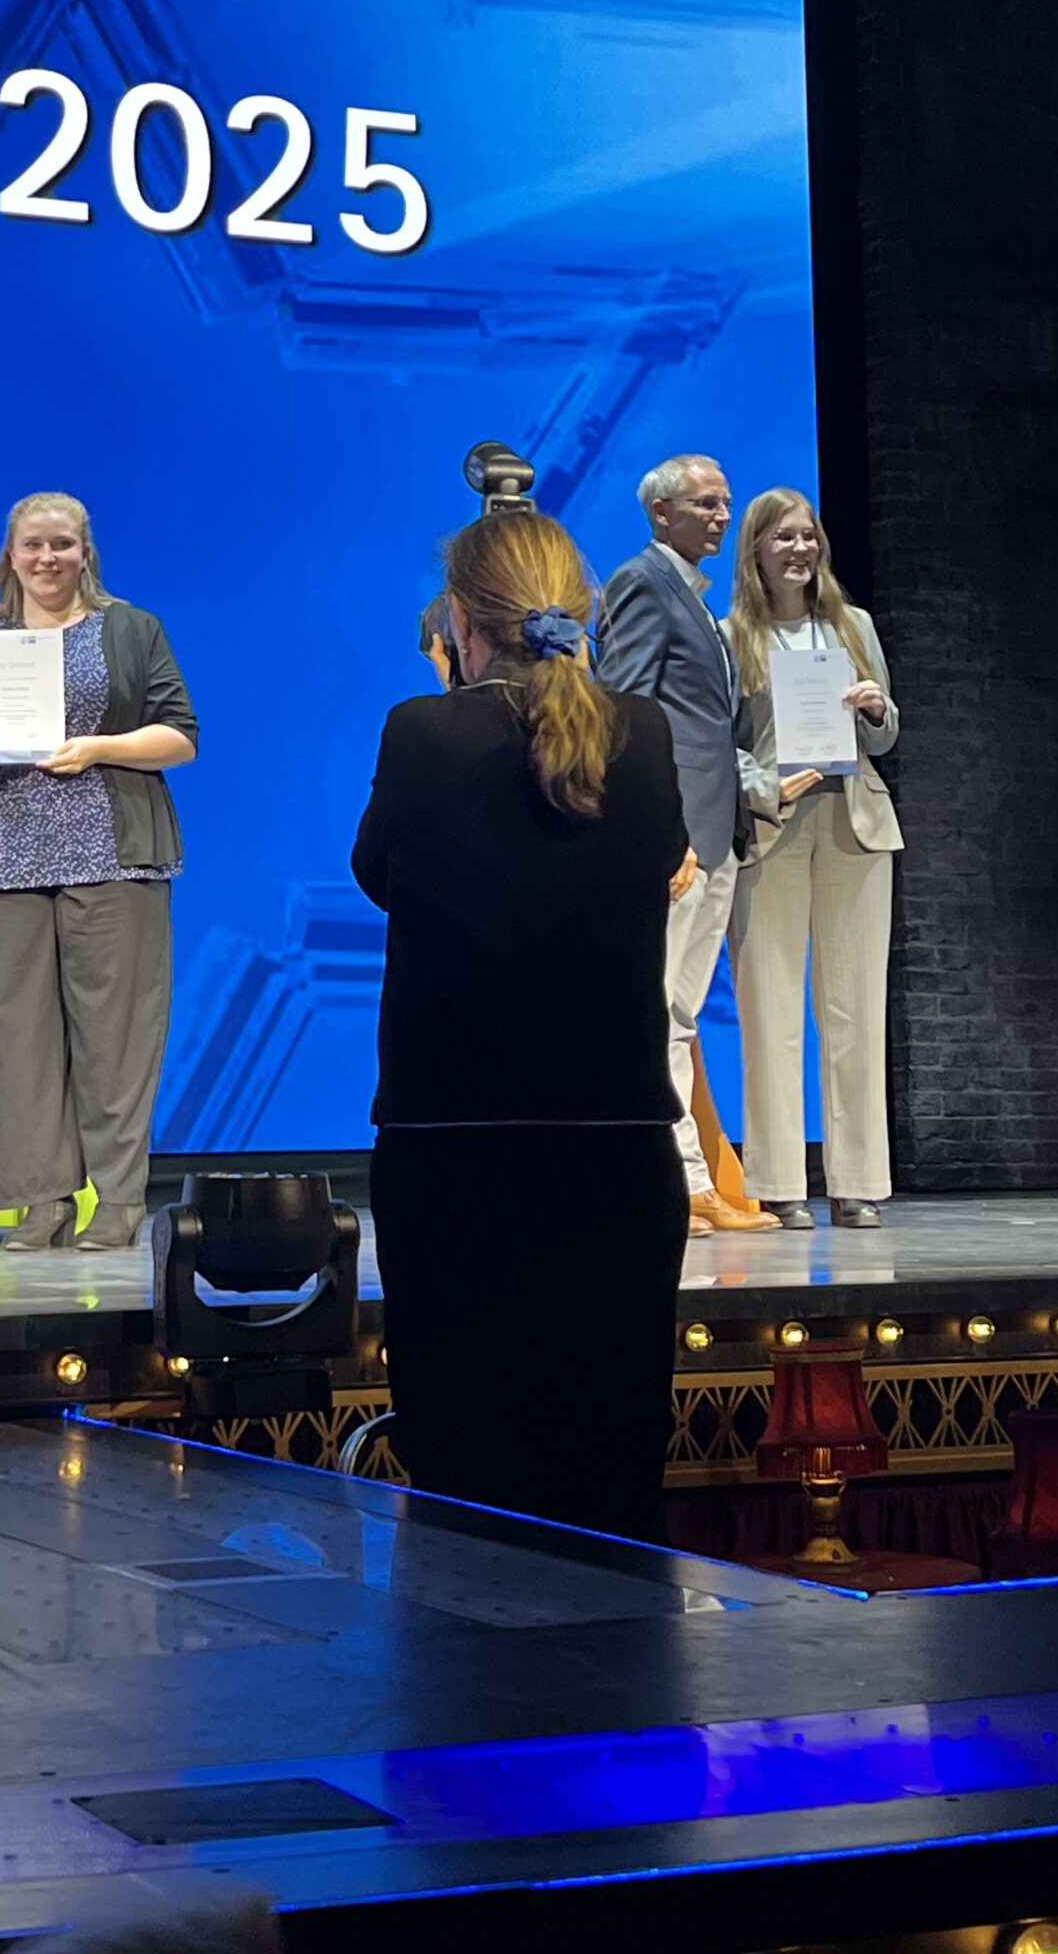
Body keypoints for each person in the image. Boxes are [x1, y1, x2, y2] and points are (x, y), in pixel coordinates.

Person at [353, 509, 691, 1542]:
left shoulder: (423, 731)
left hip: (456, 1150)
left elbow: (382, 873)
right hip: (619, 1150)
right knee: (612, 1478)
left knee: (469, 1487)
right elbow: (660, 865)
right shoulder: (645, 732)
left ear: (461, 620)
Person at [0, 493, 197, 1251]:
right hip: (6, 859)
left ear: (85, 551)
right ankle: (43, 1199)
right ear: (11, 555)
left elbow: (180, 736)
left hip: (111, 855)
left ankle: (118, 1197)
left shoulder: (130, 628)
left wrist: (98, 748)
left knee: (115, 1037)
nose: (47, 558)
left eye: (62, 544)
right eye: (33, 545)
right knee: (15, 1040)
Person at [597, 456, 777, 1238]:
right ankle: (668, 1181)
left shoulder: (697, 599)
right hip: (677, 840)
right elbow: (628, 715)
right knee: (656, 1011)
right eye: (706, 504)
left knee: (677, 1013)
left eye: (725, 503)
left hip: (713, 832)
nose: (721, 517)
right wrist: (658, 830)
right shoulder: (642, 584)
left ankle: (690, 1181)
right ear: (661, 512)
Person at [725, 489, 902, 1229]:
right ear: (756, 551)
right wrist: (763, 783)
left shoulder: (852, 626)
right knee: (770, 1010)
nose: (800, 549)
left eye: (808, 536)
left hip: (855, 822)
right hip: (774, 827)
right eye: (784, 538)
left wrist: (875, 709)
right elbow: (720, 744)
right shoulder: (732, 636)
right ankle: (779, 1184)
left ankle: (857, 1182)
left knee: (854, 1010)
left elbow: (886, 735)